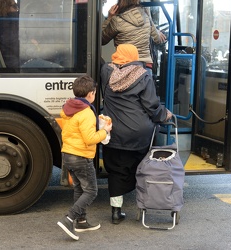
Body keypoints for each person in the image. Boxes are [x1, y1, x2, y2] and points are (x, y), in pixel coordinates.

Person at [100, 44, 172, 224]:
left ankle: (116, 212)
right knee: (141, 168)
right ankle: (143, 207)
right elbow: (151, 106)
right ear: (134, 56)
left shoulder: (106, 72)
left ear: (117, 55)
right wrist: (165, 115)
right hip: (139, 134)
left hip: (113, 132)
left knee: (116, 171)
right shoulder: (143, 75)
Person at [57, 75, 113, 241]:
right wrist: (106, 130)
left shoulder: (69, 108)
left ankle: (81, 221)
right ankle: (69, 219)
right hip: (81, 156)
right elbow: (90, 138)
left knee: (80, 189)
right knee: (91, 191)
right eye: (95, 93)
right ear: (91, 93)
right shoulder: (86, 112)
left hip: (68, 155)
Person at [101, 0, 167, 73]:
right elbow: (157, 39)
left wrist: (109, 18)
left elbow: (101, 40)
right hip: (145, 68)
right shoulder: (146, 15)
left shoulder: (116, 21)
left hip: (125, 67)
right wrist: (154, 28)